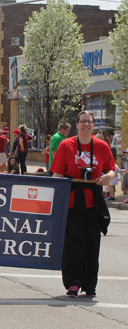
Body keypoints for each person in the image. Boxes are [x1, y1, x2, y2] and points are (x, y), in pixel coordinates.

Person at [51, 110, 115, 298]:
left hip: (93, 202)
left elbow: (112, 169)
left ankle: (89, 284)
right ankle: (73, 282)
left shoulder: (102, 146)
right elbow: (57, 175)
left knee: (92, 243)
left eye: (89, 121)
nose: (86, 124)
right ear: (77, 125)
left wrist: (108, 177)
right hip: (71, 202)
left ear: (93, 125)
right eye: (82, 121)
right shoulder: (66, 145)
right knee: (72, 244)